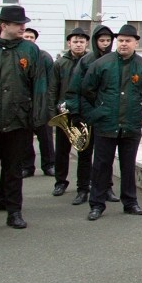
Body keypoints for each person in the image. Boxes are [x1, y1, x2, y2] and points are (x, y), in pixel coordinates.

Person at [81, 24, 142, 220]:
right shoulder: (102, 64)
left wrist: (135, 105)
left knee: (128, 165)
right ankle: (97, 204)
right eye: (121, 40)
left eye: (128, 41)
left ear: (136, 43)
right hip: (106, 123)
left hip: (130, 124)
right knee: (101, 165)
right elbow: (88, 90)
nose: (123, 44)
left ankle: (130, 202)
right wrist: (99, 112)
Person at [0, 5, 51, 230]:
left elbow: (39, 84)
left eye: (23, 24)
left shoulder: (30, 50)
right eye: (18, 24)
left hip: (19, 121)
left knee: (14, 170)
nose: (22, 27)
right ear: (3, 25)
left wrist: (38, 116)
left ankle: (14, 212)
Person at [64, 24, 116, 206]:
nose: (105, 44)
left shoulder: (115, 60)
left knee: (105, 156)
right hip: (86, 115)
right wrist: (76, 113)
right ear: (95, 41)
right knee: (84, 153)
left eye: (108, 40)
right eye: (102, 40)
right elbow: (75, 88)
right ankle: (82, 189)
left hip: (105, 115)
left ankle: (106, 187)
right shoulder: (86, 61)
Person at [49, 27, 90, 197]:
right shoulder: (59, 63)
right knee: (62, 151)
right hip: (64, 113)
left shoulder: (90, 61)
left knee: (84, 150)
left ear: (86, 43)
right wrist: (54, 110)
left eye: (81, 42)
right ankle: (60, 182)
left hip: (83, 113)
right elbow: (53, 88)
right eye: (75, 42)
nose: (78, 45)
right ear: (69, 43)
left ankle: (84, 183)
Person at [20, 27, 55, 178]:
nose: (28, 39)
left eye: (31, 37)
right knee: (25, 138)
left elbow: (52, 81)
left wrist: (49, 103)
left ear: (35, 40)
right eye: (26, 36)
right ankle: (27, 167)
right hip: (24, 104)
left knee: (46, 138)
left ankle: (49, 165)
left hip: (42, 104)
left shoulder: (45, 57)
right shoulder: (17, 55)